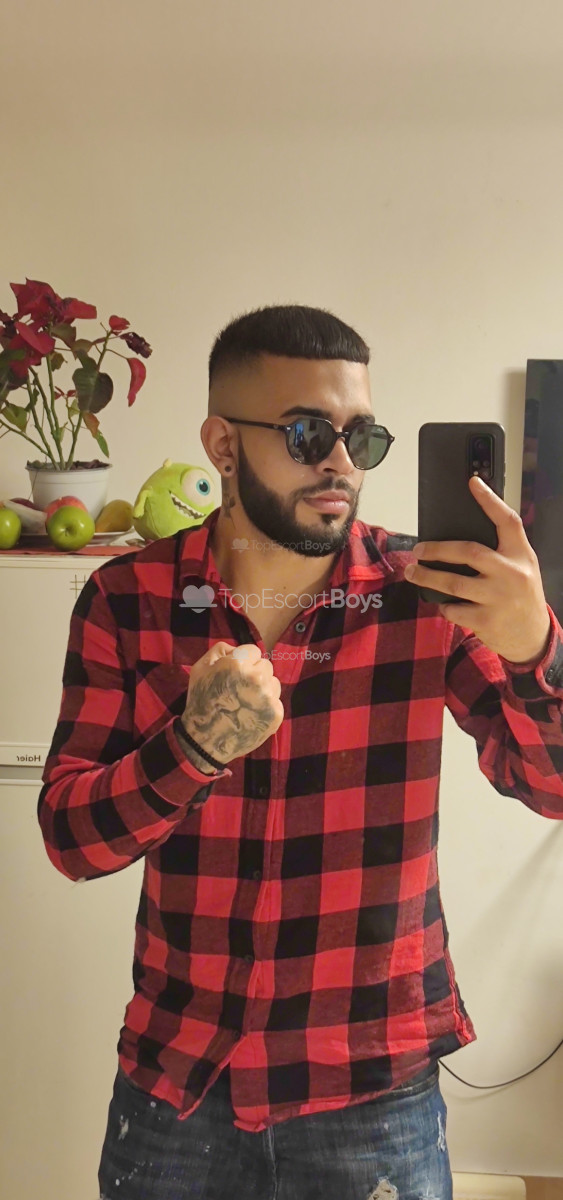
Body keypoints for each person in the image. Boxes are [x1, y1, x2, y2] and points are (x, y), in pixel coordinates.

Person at [37, 304, 563, 1200]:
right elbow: (71, 841)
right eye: (308, 433)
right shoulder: (130, 597)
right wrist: (193, 747)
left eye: (363, 436)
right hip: (179, 1081)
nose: (342, 463)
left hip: (373, 1084)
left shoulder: (424, 593)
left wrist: (534, 647)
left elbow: (550, 787)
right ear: (222, 444)